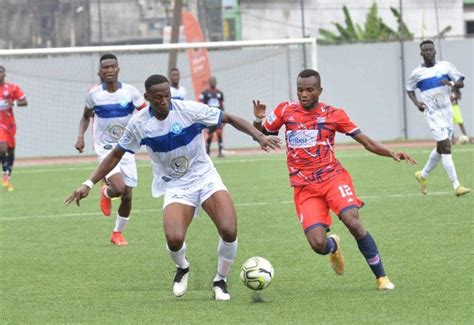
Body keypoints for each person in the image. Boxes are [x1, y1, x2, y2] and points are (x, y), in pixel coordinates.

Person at [65, 74, 281, 300]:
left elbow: (228, 118)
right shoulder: (139, 124)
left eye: (167, 95)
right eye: (158, 97)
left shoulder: (188, 110)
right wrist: (88, 183)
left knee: (229, 229)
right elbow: (116, 154)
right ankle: (182, 268)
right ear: (147, 97)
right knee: (174, 238)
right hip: (175, 185)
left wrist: (258, 136)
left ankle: (220, 280)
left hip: (205, 177)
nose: (164, 101)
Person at [252, 69, 416, 290]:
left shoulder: (334, 114)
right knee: (318, 244)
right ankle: (333, 246)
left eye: (309, 90)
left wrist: (391, 153)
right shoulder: (285, 110)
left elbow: (366, 141)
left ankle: (382, 277)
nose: (304, 94)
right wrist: (257, 119)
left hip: (332, 178)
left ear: (320, 90)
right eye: (300, 90)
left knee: (352, 221)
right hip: (304, 188)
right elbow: (261, 134)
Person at [74, 54, 147, 246]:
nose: (109, 70)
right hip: (105, 146)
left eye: (112, 67)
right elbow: (85, 117)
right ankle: (108, 190)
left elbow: (145, 113)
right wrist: (80, 136)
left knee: (128, 195)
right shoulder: (94, 95)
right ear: (100, 71)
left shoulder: (131, 92)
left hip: (126, 146)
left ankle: (116, 233)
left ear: (118, 69)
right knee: (121, 188)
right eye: (105, 68)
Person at [406, 39, 471, 196]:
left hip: (447, 112)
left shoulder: (445, 66)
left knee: (441, 148)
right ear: (421, 54)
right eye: (425, 50)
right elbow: (409, 89)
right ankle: (456, 185)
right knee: (447, 147)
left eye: (430, 49)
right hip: (433, 114)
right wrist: (417, 103)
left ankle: (422, 175)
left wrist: (450, 83)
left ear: (435, 51)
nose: (428, 52)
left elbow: (461, 82)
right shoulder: (417, 73)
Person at [0, 65, 28, 192]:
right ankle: (5, 174)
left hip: (9, 123)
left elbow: (24, 102)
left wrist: (14, 103)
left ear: (4, 74)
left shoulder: (12, 88)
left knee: (10, 150)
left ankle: (7, 175)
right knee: (3, 147)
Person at [200, 76, 225, 157]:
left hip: (218, 116)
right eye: (211, 81)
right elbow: (201, 104)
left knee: (219, 133)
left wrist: (223, 117)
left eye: (214, 81)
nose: (213, 82)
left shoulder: (219, 93)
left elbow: (222, 105)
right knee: (210, 135)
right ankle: (207, 151)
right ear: (209, 82)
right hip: (210, 116)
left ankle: (221, 151)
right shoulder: (205, 93)